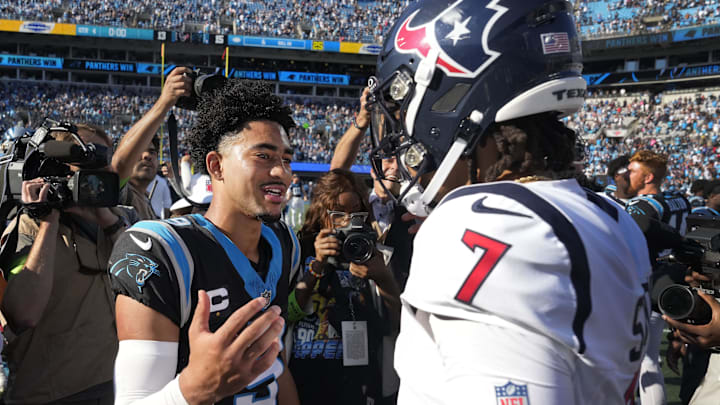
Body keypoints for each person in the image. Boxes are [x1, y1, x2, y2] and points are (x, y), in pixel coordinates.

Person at [367, 1, 651, 403]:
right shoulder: (612, 218)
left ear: (450, 100)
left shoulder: (477, 226)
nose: (402, 136)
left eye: (402, 104)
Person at [108, 80, 302, 405]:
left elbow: (274, 366)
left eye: (285, 159)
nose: (281, 172)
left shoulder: (283, 244)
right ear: (216, 165)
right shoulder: (163, 250)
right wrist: (195, 388)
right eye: (264, 156)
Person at [0, 122, 134, 404]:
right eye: (83, 160)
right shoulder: (28, 226)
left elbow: (145, 284)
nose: (97, 171)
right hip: (51, 393)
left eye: (102, 160)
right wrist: (49, 220)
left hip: (116, 384)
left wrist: (108, 222)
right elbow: (23, 314)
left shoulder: (120, 219)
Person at [288, 168, 401, 405]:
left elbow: (398, 326)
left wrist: (384, 279)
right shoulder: (299, 251)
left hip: (360, 383)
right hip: (308, 380)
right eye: (339, 215)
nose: (349, 222)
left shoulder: (373, 253)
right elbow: (288, 314)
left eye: (356, 214)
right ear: (322, 213)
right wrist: (317, 266)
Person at [623, 150, 692, 405]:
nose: (627, 174)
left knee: (644, 359)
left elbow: (642, 225)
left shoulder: (643, 205)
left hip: (650, 280)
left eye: (633, 170)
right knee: (649, 356)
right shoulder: (679, 199)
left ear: (648, 176)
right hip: (671, 278)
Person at [112, 67, 195, 220]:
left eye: (152, 152)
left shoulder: (144, 199)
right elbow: (120, 164)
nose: (147, 156)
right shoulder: (119, 195)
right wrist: (164, 103)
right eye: (140, 151)